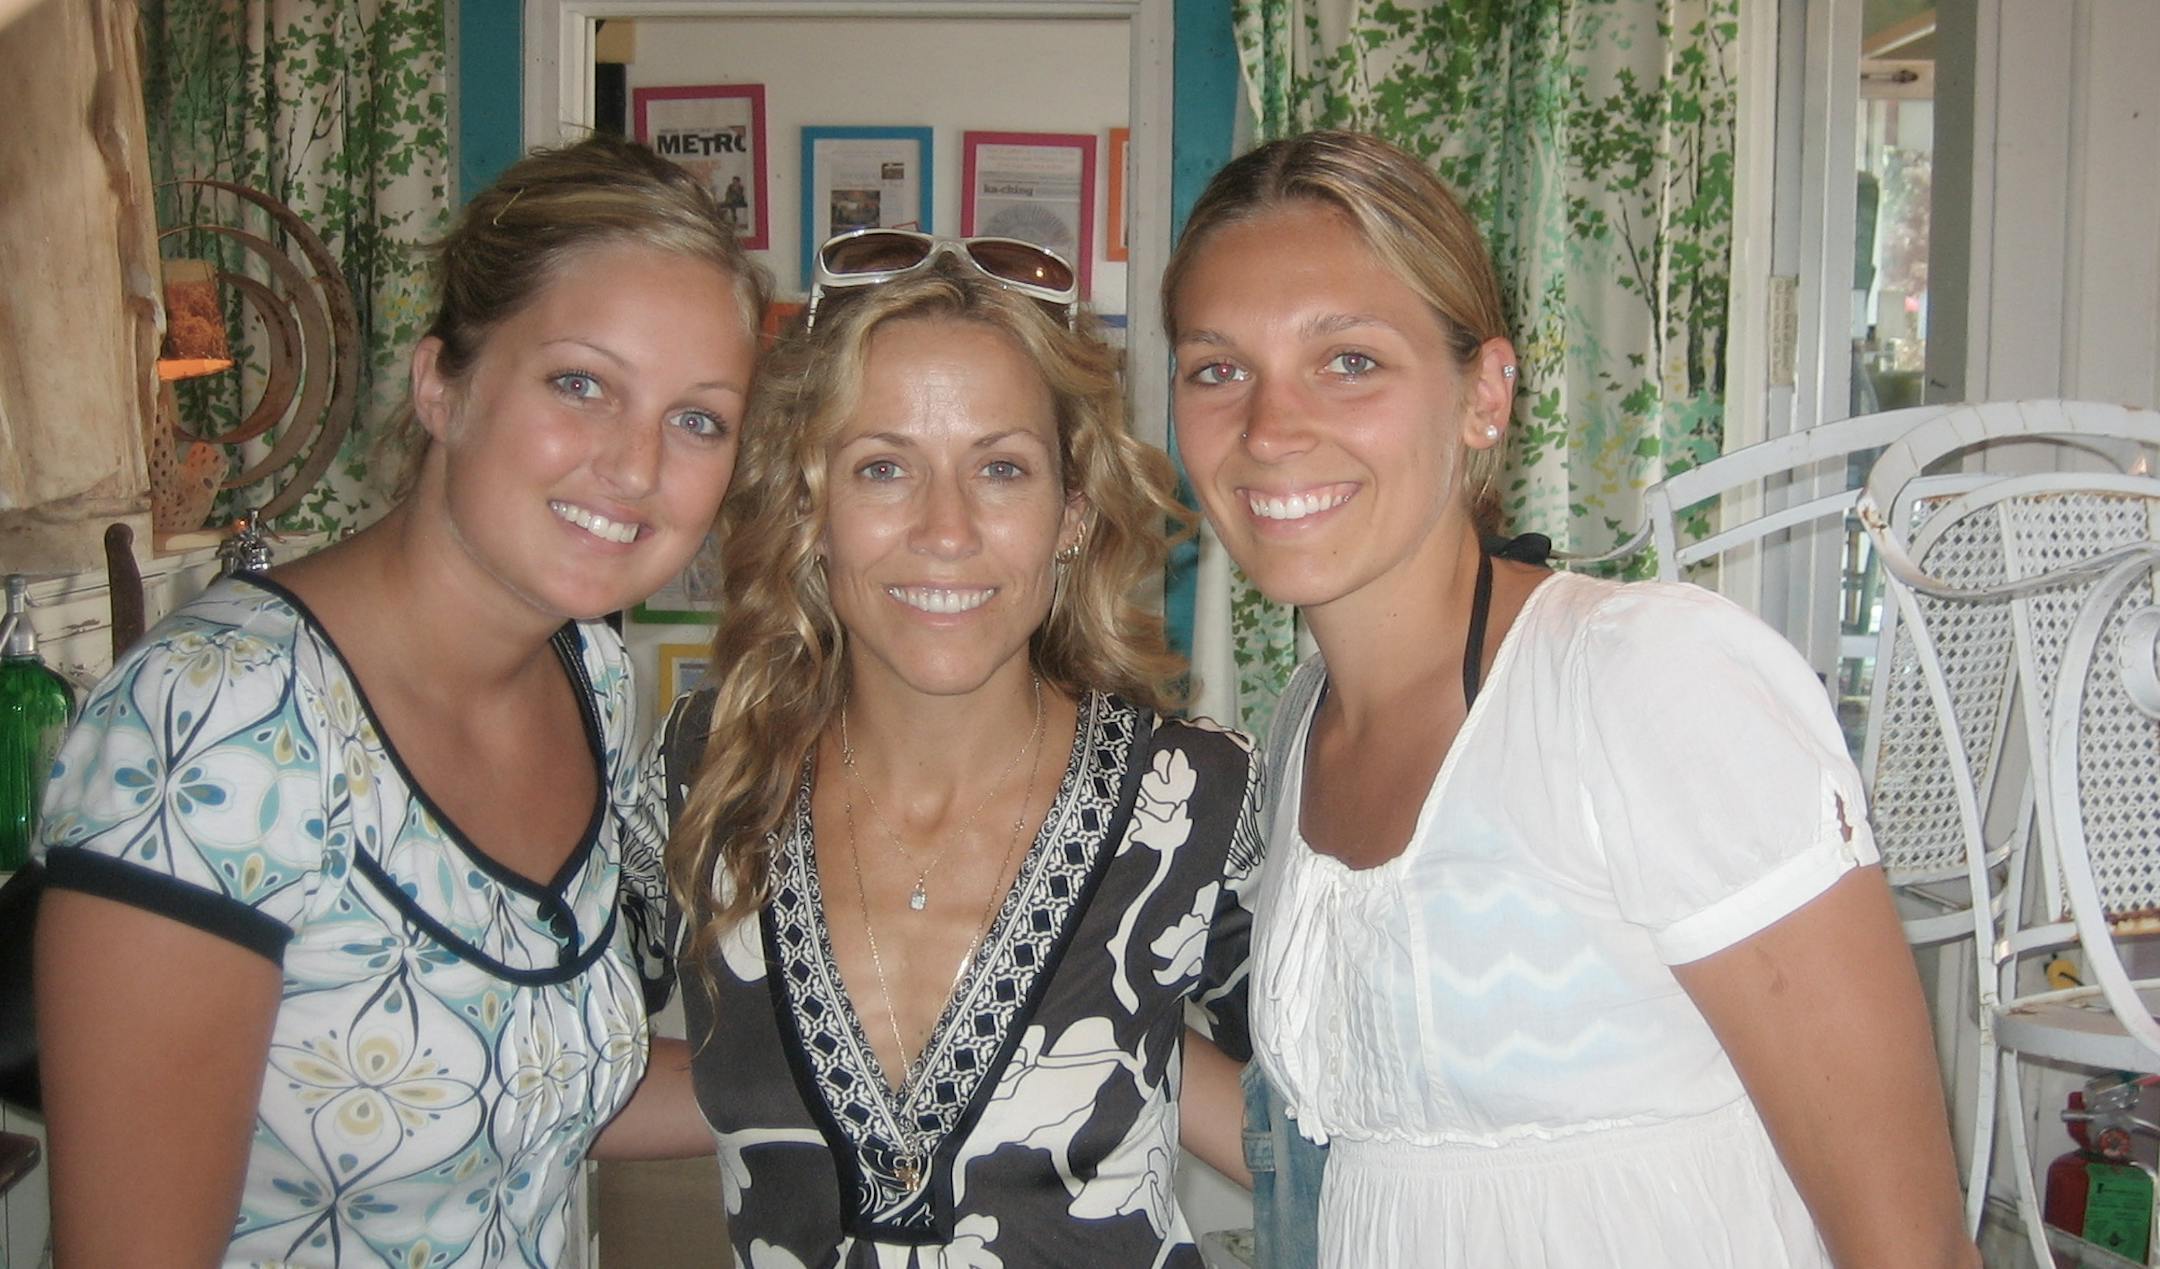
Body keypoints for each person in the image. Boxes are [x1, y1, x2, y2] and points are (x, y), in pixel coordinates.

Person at [1162, 129, 1977, 1268]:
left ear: (1483, 394)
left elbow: (1910, 1247)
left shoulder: (1646, 685)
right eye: (1217, 369)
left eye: (1349, 360)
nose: (1268, 428)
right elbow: (1359, 1162)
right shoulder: (1302, 730)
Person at [32, 133, 767, 1266]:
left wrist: (870, 1075)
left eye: (698, 419)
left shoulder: (590, 676)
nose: (636, 464)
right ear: (442, 384)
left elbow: (526, 1088)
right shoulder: (218, 729)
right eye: (582, 384)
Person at [654, 230, 1259, 1265]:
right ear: (812, 507)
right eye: (884, 467)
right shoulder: (711, 765)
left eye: (1003, 469)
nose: (945, 530)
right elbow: (549, 1057)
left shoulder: (1197, 797)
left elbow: (1347, 1138)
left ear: (1071, 513)